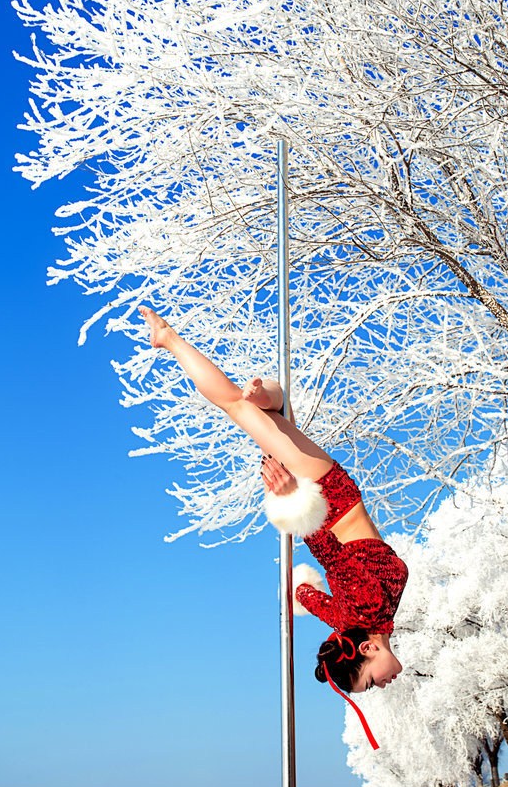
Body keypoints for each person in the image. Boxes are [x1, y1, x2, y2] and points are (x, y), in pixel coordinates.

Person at [140, 306, 408, 748]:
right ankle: (271, 398)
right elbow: (304, 594)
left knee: (236, 406)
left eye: (370, 683)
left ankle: (168, 339)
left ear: (367, 651)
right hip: (328, 495)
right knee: (266, 413)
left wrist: (290, 499)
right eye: (371, 687)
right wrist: (301, 593)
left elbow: (328, 552)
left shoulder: (359, 612)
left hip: (327, 492)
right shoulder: (361, 618)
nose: (381, 686)